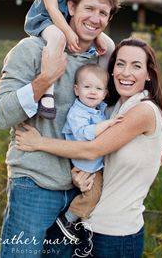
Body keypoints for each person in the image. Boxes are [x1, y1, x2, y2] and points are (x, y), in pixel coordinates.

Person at [0, 0, 120, 258]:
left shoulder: (100, 63)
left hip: (78, 192)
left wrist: (151, 144)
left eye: (103, 12)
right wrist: (45, 79)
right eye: (89, 8)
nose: (95, 18)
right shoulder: (32, 50)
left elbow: (115, 114)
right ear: (71, 7)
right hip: (33, 186)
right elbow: (1, 115)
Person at [15, 37, 162, 258]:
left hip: (118, 235)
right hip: (91, 227)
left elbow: (92, 149)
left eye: (136, 66)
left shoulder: (143, 110)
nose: (126, 72)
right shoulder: (114, 108)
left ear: (148, 74)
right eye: (120, 64)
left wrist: (38, 143)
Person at [56, 63, 123, 242]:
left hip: (95, 163)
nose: (93, 92)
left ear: (105, 93)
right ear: (76, 90)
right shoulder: (77, 113)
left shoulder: (99, 109)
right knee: (93, 195)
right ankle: (67, 220)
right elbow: (84, 134)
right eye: (87, 87)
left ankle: (83, 222)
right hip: (86, 165)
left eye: (98, 88)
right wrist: (108, 124)